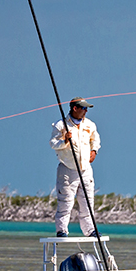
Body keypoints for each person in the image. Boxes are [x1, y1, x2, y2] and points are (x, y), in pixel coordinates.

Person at [50, 97, 101, 237]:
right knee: (65, 202)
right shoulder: (61, 125)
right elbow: (53, 143)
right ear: (75, 108)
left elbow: (95, 140)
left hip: (85, 170)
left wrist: (94, 150)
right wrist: (65, 140)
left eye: (86, 109)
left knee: (87, 202)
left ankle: (90, 230)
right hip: (67, 169)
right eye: (83, 108)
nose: (85, 111)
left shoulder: (90, 125)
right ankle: (62, 230)